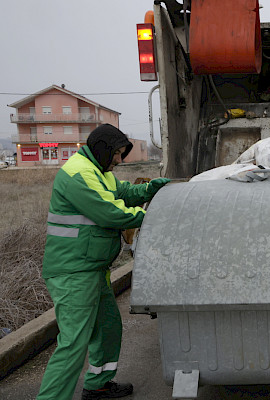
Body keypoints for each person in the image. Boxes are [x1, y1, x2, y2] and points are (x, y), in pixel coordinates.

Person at [37, 124, 170, 400]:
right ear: (103, 150)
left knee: (108, 328)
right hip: (73, 271)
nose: (119, 161)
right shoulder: (78, 174)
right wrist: (153, 216)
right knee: (74, 342)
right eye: (117, 154)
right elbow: (109, 212)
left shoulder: (99, 171)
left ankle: (98, 384)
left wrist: (148, 190)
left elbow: (121, 192)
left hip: (92, 267)